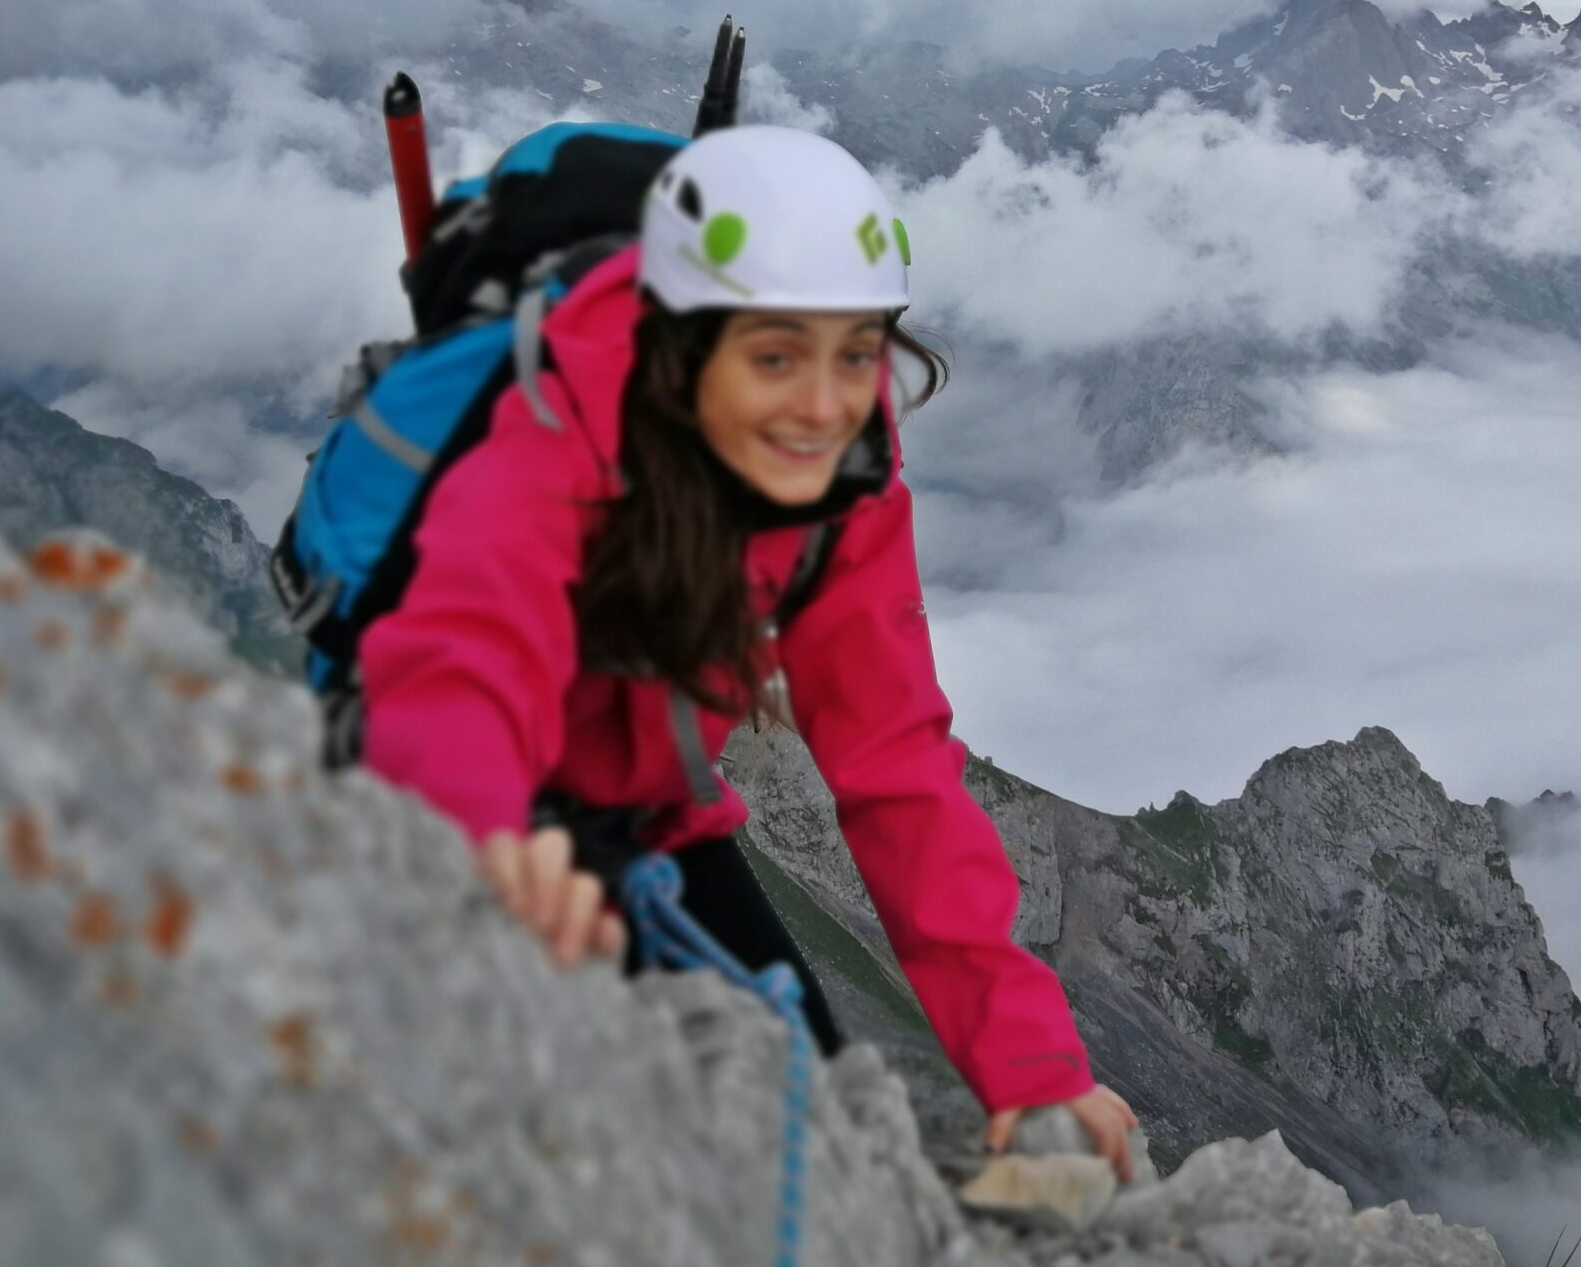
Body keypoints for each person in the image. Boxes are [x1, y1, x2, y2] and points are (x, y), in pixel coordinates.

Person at [354, 123, 1138, 1176]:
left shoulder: (843, 477)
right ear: (680, 351)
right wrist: (488, 843)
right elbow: (451, 670)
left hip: (655, 818)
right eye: (776, 354)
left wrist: (1031, 1062)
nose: (821, 404)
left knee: (818, 1153)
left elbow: (896, 765)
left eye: (855, 351)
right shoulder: (548, 433)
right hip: (444, 816)